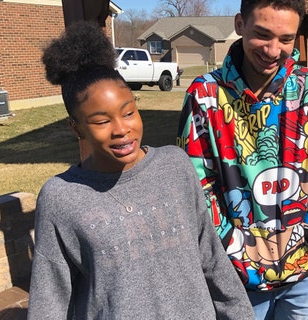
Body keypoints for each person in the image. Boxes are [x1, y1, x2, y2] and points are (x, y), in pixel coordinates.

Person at [27, 21, 253, 320]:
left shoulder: (175, 165)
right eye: (100, 121)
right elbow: (50, 299)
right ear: (76, 128)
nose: (122, 129)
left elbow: (211, 256)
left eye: (129, 112)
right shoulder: (61, 198)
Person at [176, 0, 308, 318]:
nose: (273, 50)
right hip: (237, 278)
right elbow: (196, 187)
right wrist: (235, 250)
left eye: (285, 39)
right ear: (240, 24)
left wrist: (307, 243)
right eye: (262, 34)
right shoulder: (205, 94)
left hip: (305, 275)